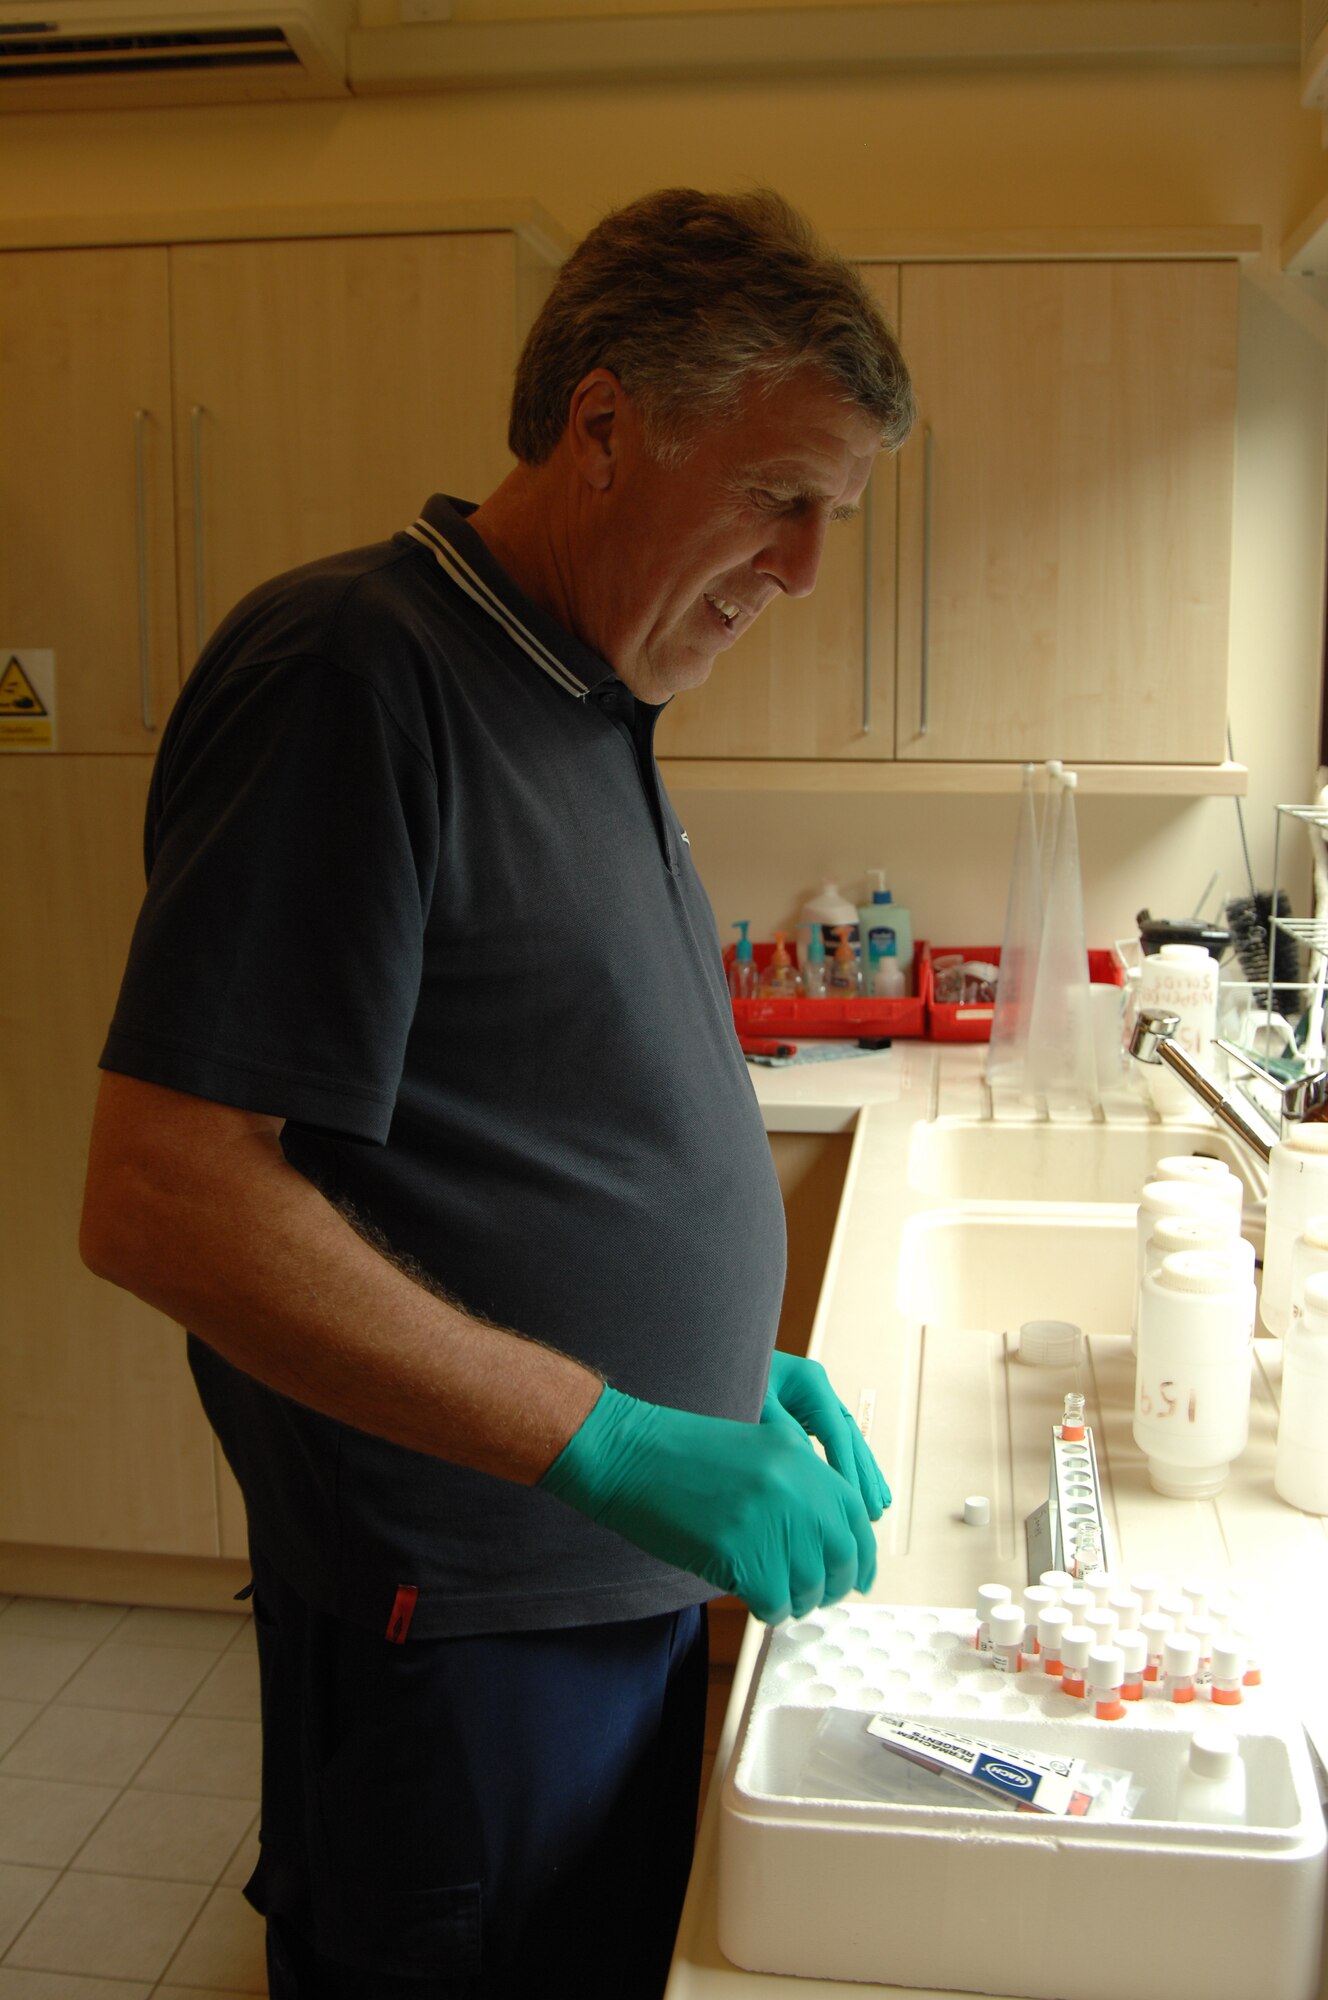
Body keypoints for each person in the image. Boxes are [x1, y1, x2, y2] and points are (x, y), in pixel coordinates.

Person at [80, 186, 916, 1998]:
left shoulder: (581, 695)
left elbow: (513, 1125)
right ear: (607, 424)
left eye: (830, 518)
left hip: (592, 1590)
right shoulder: (356, 674)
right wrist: (619, 1435)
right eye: (783, 498)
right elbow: (165, 1192)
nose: (802, 570)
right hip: (455, 1629)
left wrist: (712, 1371)